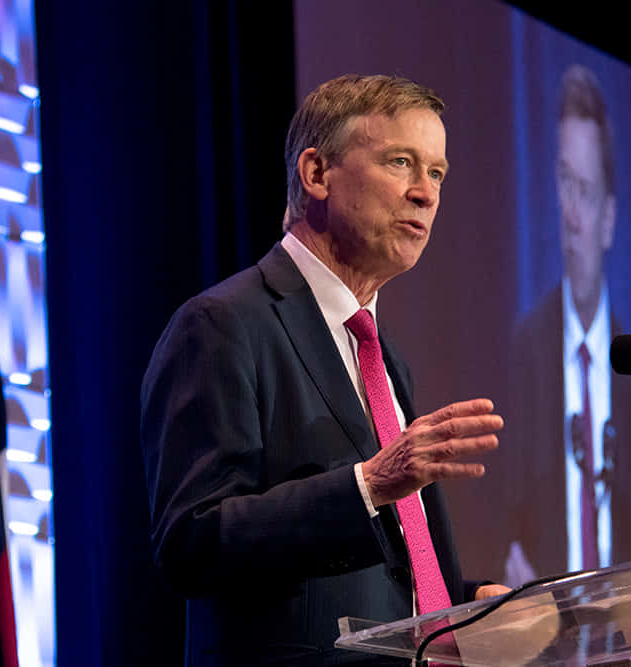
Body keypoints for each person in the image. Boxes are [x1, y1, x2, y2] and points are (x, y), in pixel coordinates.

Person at [141, 74, 507, 666]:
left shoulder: (383, 355)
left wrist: (468, 604)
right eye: (401, 162)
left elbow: (365, 581)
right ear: (316, 174)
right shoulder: (221, 325)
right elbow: (191, 544)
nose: (426, 193)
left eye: (437, 173)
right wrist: (368, 485)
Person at [501, 65, 631, 586]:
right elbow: (496, 526)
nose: (573, 216)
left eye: (587, 192)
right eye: (565, 186)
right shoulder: (521, 354)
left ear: (610, 219)